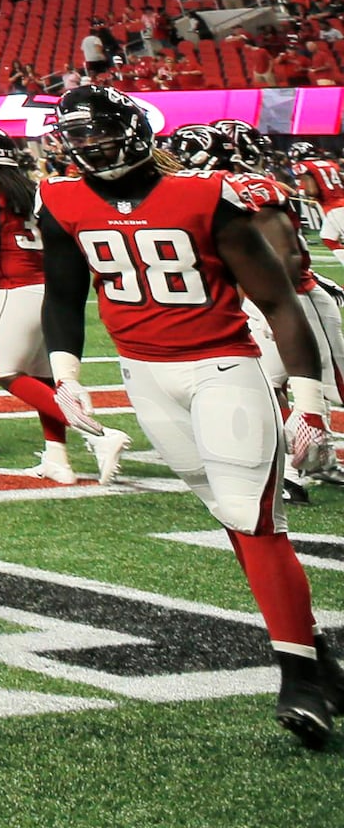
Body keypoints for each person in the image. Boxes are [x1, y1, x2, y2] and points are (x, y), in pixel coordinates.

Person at [39, 83, 338, 744]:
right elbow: (62, 292)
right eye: (78, 136)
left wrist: (309, 403)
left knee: (255, 519)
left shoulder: (205, 194)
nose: (90, 145)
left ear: (140, 129)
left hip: (223, 367)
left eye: (101, 131)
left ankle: (300, 678)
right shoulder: (60, 200)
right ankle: (313, 647)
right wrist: (64, 372)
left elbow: (281, 301)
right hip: (143, 375)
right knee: (230, 514)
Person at [0, 122, 125, 487]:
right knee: (43, 378)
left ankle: (98, 433)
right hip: (51, 289)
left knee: (6, 371)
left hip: (17, 288)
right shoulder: (32, 185)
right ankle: (57, 459)